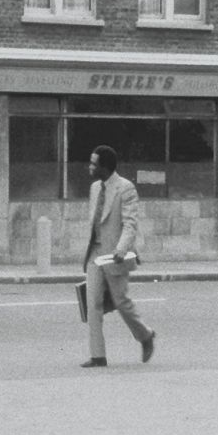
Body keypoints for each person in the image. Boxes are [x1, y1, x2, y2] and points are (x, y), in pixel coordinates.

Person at [79, 145, 157, 368]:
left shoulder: (126, 188)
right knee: (92, 303)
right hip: (95, 253)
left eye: (94, 163)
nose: (90, 166)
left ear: (105, 167)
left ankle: (146, 336)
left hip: (115, 255)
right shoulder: (95, 188)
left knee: (121, 302)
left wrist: (121, 249)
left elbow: (130, 224)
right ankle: (98, 356)